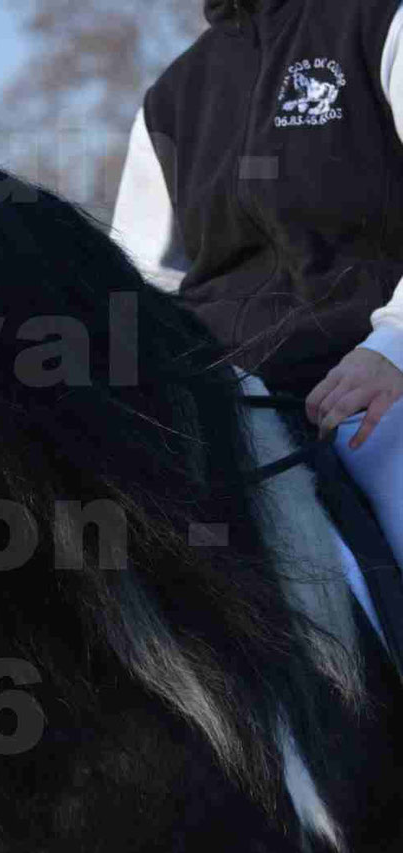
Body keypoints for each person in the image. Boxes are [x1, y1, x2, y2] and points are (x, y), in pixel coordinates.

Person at [111, 0, 403, 647]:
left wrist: (395, 344)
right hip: (222, 396)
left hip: (374, 388)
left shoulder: (382, 23)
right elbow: (144, 281)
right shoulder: (171, 97)